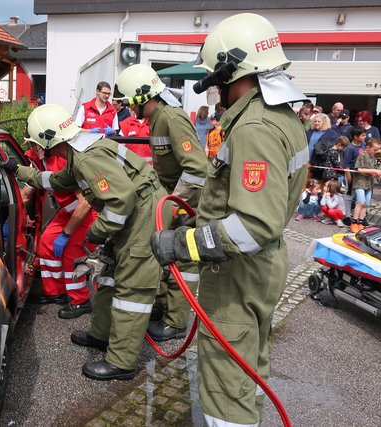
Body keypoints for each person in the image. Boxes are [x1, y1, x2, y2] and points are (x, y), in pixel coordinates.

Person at [150, 13, 308, 426]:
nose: (215, 88)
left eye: (216, 78)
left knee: (225, 381)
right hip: (262, 266)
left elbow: (253, 225)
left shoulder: (254, 127)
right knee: (249, 366)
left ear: (230, 70)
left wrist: (180, 245)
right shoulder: (284, 118)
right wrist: (197, 226)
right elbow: (242, 205)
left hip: (239, 273)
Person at [0, 103, 166, 380]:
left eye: (36, 142)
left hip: (143, 214)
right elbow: (56, 181)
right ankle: (101, 335)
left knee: (132, 291)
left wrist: (97, 232)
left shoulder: (86, 158)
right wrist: (18, 170)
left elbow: (121, 200)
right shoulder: (79, 153)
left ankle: (121, 363)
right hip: (134, 213)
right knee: (109, 278)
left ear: (49, 140)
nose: (37, 148)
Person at [114, 63, 207, 342]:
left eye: (131, 102)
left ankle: (176, 322)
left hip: (188, 205)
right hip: (175, 200)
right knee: (167, 256)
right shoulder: (157, 118)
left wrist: (174, 204)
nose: (129, 108)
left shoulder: (172, 118)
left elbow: (197, 169)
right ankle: (165, 307)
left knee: (185, 261)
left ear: (143, 96)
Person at [21, 142, 97, 319]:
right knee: (47, 241)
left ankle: (81, 300)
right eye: (30, 143)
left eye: (34, 143)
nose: (32, 147)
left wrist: (65, 234)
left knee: (72, 253)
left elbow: (85, 203)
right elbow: (26, 194)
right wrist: (21, 214)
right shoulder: (37, 160)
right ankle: (55, 292)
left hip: (86, 212)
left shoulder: (64, 161)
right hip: (69, 212)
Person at [350, 138, 381, 232]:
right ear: (368, 147)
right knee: (360, 202)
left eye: (378, 150)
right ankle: (354, 222)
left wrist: (376, 174)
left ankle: (360, 222)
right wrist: (374, 171)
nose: (376, 152)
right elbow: (359, 169)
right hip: (360, 183)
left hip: (369, 184)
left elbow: (372, 170)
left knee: (366, 204)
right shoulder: (362, 155)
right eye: (375, 149)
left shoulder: (373, 157)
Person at [307, 113, 338, 181]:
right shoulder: (310, 131)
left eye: (319, 121)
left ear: (324, 122)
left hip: (319, 162)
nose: (316, 123)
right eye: (315, 121)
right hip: (306, 160)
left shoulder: (331, 133)